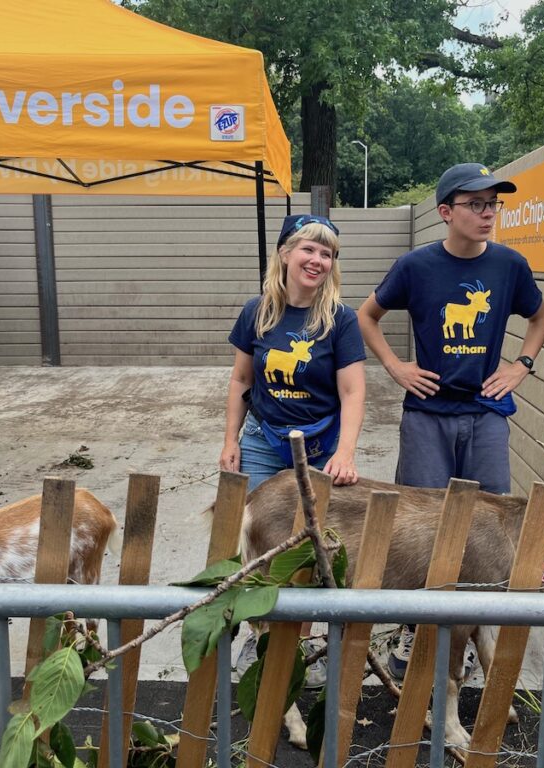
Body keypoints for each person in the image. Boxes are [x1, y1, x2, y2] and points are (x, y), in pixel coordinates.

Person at [357, 162, 544, 678]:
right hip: (427, 414)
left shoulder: (509, 266)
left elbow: (540, 317)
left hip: (484, 414)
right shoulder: (415, 267)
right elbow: (365, 316)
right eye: (476, 204)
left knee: (487, 522)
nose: (488, 214)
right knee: (422, 523)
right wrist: (397, 367)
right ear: (446, 212)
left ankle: (466, 635)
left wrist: (520, 365)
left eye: (494, 204)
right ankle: (415, 629)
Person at [221, 212, 367, 685]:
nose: (318, 260)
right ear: (284, 253)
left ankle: (304, 642)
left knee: (315, 545)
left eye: (327, 253)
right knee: (263, 546)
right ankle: (261, 637)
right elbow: (242, 379)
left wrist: (344, 452)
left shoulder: (340, 321)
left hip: (319, 449)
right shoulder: (257, 312)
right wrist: (230, 441)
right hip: (264, 441)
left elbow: (352, 392)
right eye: (309, 248)